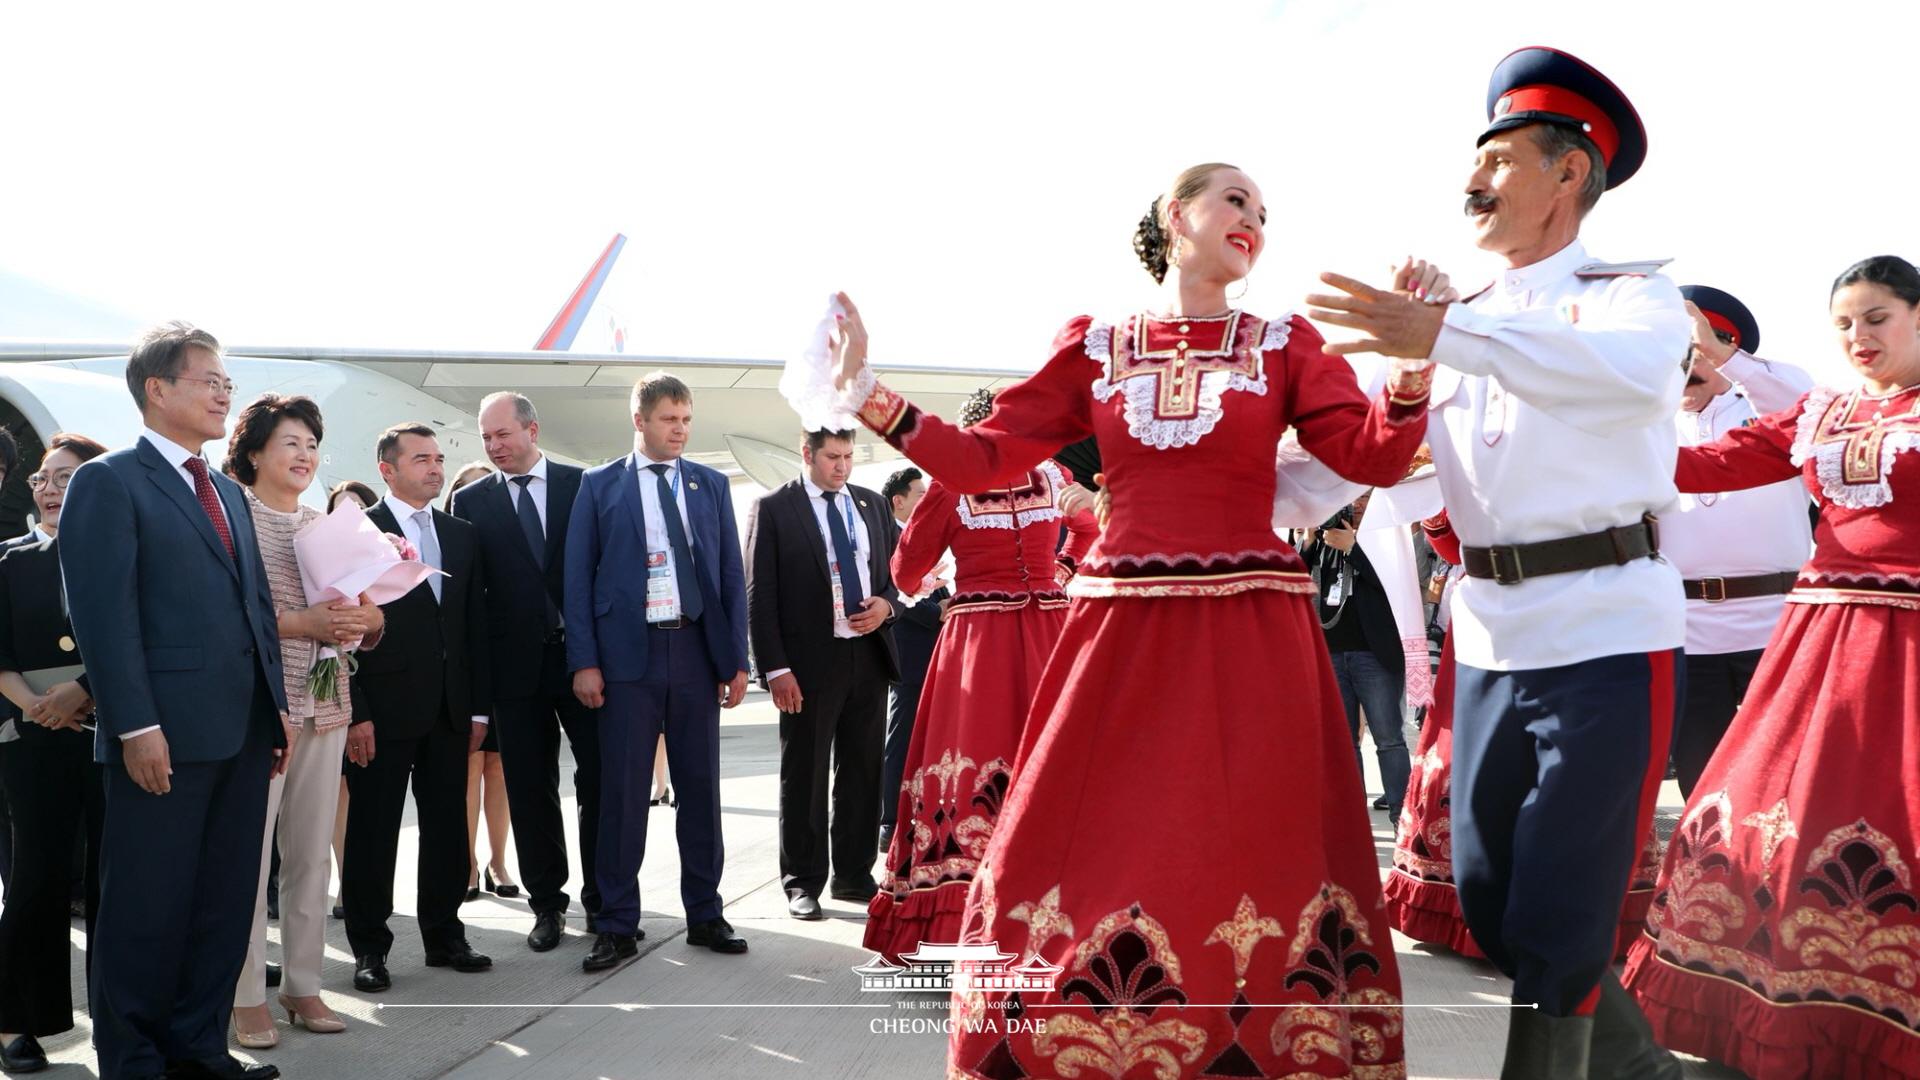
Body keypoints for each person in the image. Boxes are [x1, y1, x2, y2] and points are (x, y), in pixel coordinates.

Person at [827, 158, 1429, 1077]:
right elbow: (986, 457)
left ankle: (1266, 1038)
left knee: (1254, 836)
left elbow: (1371, 455)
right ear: (1175, 215)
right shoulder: (1097, 345)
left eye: (1264, 212)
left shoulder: (1284, 342)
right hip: (1120, 626)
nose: (1254, 219)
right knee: (1078, 831)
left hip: (1254, 625)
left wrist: (1414, 368)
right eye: (1235, 199)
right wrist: (867, 390)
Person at [1307, 48, 1691, 1077]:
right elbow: (1406, 478)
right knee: (1486, 890)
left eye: (1502, 159)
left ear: (1570, 175)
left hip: (1609, 621)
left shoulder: (1632, 301)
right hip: (1488, 631)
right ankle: (1639, 1068)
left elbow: (1628, 381)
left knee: (1563, 900)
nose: (1472, 181)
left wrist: (1451, 334)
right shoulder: (1460, 320)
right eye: (1473, 161)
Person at [1620, 255, 1920, 1079]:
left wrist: (1725, 356)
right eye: (1846, 325)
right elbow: (1714, 463)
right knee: (1769, 810)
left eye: (1877, 319)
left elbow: (1771, 387)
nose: (1859, 338)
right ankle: (1774, 1006)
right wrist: (1599, 435)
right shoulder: (1826, 412)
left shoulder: (1815, 394)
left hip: (1909, 644)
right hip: (1820, 642)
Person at [62, 321, 289, 1080]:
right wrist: (135, 724)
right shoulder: (111, 481)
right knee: (144, 909)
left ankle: (197, 1047)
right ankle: (131, 1060)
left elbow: (254, 607)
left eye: (229, 381)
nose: (227, 392)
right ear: (157, 390)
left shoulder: (225, 487)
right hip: (160, 736)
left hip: (242, 730)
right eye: (210, 380)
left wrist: (275, 709)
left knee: (223, 908)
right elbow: (104, 618)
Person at [863, 389, 1096, 962]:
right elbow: (1089, 528)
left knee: (971, 765)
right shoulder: (1050, 474)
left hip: (981, 641)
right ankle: (1054, 927)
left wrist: (946, 578)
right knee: (1044, 764)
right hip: (1047, 632)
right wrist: (1058, 572)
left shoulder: (952, 487)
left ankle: (960, 931)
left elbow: (907, 571)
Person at [565, 373, 751, 970]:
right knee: (621, 795)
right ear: (639, 420)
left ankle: (706, 912)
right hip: (626, 659)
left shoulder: (710, 484)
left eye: (687, 419)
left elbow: (728, 577)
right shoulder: (599, 486)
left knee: (700, 790)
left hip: (695, 650)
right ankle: (617, 922)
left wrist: (735, 660)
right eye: (669, 418)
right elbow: (577, 578)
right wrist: (585, 661)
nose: (680, 429)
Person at [223, 396, 379, 1049]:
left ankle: (304, 984)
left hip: (329, 701)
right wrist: (304, 623)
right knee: (249, 857)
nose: (305, 454)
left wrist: (363, 619)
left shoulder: (328, 523)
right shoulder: (235, 519)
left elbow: (373, 615)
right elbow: (228, 618)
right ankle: (244, 995)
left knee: (313, 854)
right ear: (254, 451)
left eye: (312, 443)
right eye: (290, 442)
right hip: (265, 705)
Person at [451, 392, 604, 955]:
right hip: (513, 672)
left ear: (532, 429)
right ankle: (547, 904)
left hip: (582, 661)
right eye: (486, 438)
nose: (494, 447)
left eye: (503, 435)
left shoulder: (583, 484)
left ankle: (605, 899)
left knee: (600, 782)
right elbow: (469, 600)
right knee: (529, 788)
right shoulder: (470, 502)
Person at [344, 423, 493, 993]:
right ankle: (370, 949)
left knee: (447, 828)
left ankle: (446, 934)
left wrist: (479, 708)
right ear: (387, 469)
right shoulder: (359, 534)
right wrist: (356, 711)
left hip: (451, 709)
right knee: (373, 831)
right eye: (421, 459)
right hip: (381, 710)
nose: (434, 468)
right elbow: (343, 634)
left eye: (438, 458)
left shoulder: (461, 534)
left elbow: (472, 626)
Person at [1664, 286, 1815, 798]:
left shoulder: (1770, 402)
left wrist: (1726, 359)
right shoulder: (1644, 422)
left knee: (1788, 785)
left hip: (1776, 626)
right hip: (1688, 633)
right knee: (1702, 789)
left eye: (1695, 352)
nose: (1684, 366)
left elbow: (1802, 407)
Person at [745, 429, 901, 922]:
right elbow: (759, 595)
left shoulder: (872, 505)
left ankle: (854, 875)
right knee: (805, 774)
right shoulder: (773, 508)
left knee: (862, 771)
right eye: (833, 456)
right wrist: (775, 669)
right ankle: (802, 881)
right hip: (808, 665)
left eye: (849, 456)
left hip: (867, 656)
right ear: (807, 453)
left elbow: (900, 572)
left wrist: (888, 606)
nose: (842, 466)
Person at [0, 433, 105, 1075]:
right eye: (42, 477)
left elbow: (140, 637)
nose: (48, 487)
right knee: (34, 878)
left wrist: (85, 692)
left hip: (110, 726)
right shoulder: (7, 559)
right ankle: (21, 1023)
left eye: (65, 477)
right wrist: (39, 705)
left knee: (113, 880)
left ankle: (122, 1017)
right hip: (32, 735)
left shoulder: (119, 554)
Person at [1301, 489, 1412, 827]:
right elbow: (1296, 579)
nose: (1357, 505)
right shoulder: (1323, 539)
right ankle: (1351, 818)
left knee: (1389, 739)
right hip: (1330, 653)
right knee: (1343, 744)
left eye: (1364, 497)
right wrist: (1307, 538)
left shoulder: (1385, 534)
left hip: (1373, 654)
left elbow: (1397, 587)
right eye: (1351, 499)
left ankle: (1401, 817)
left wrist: (1353, 548)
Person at [443, 459, 521, 908]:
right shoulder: (450, 547)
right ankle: (467, 863)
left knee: (500, 769)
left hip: (505, 664)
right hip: (467, 670)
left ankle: (499, 861)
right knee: (469, 768)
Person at [876, 465, 946, 855]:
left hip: (929, 645)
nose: (926, 501)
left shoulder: (919, 538)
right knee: (900, 734)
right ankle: (889, 819)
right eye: (920, 495)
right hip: (908, 646)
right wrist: (937, 611)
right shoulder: (890, 536)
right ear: (898, 501)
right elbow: (898, 589)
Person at [324, 479, 378, 923]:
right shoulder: (320, 565)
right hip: (337, 694)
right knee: (336, 796)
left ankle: (360, 886)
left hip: (387, 701)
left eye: (358, 509)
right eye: (340, 510)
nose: (350, 518)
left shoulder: (383, 559)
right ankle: (344, 882)